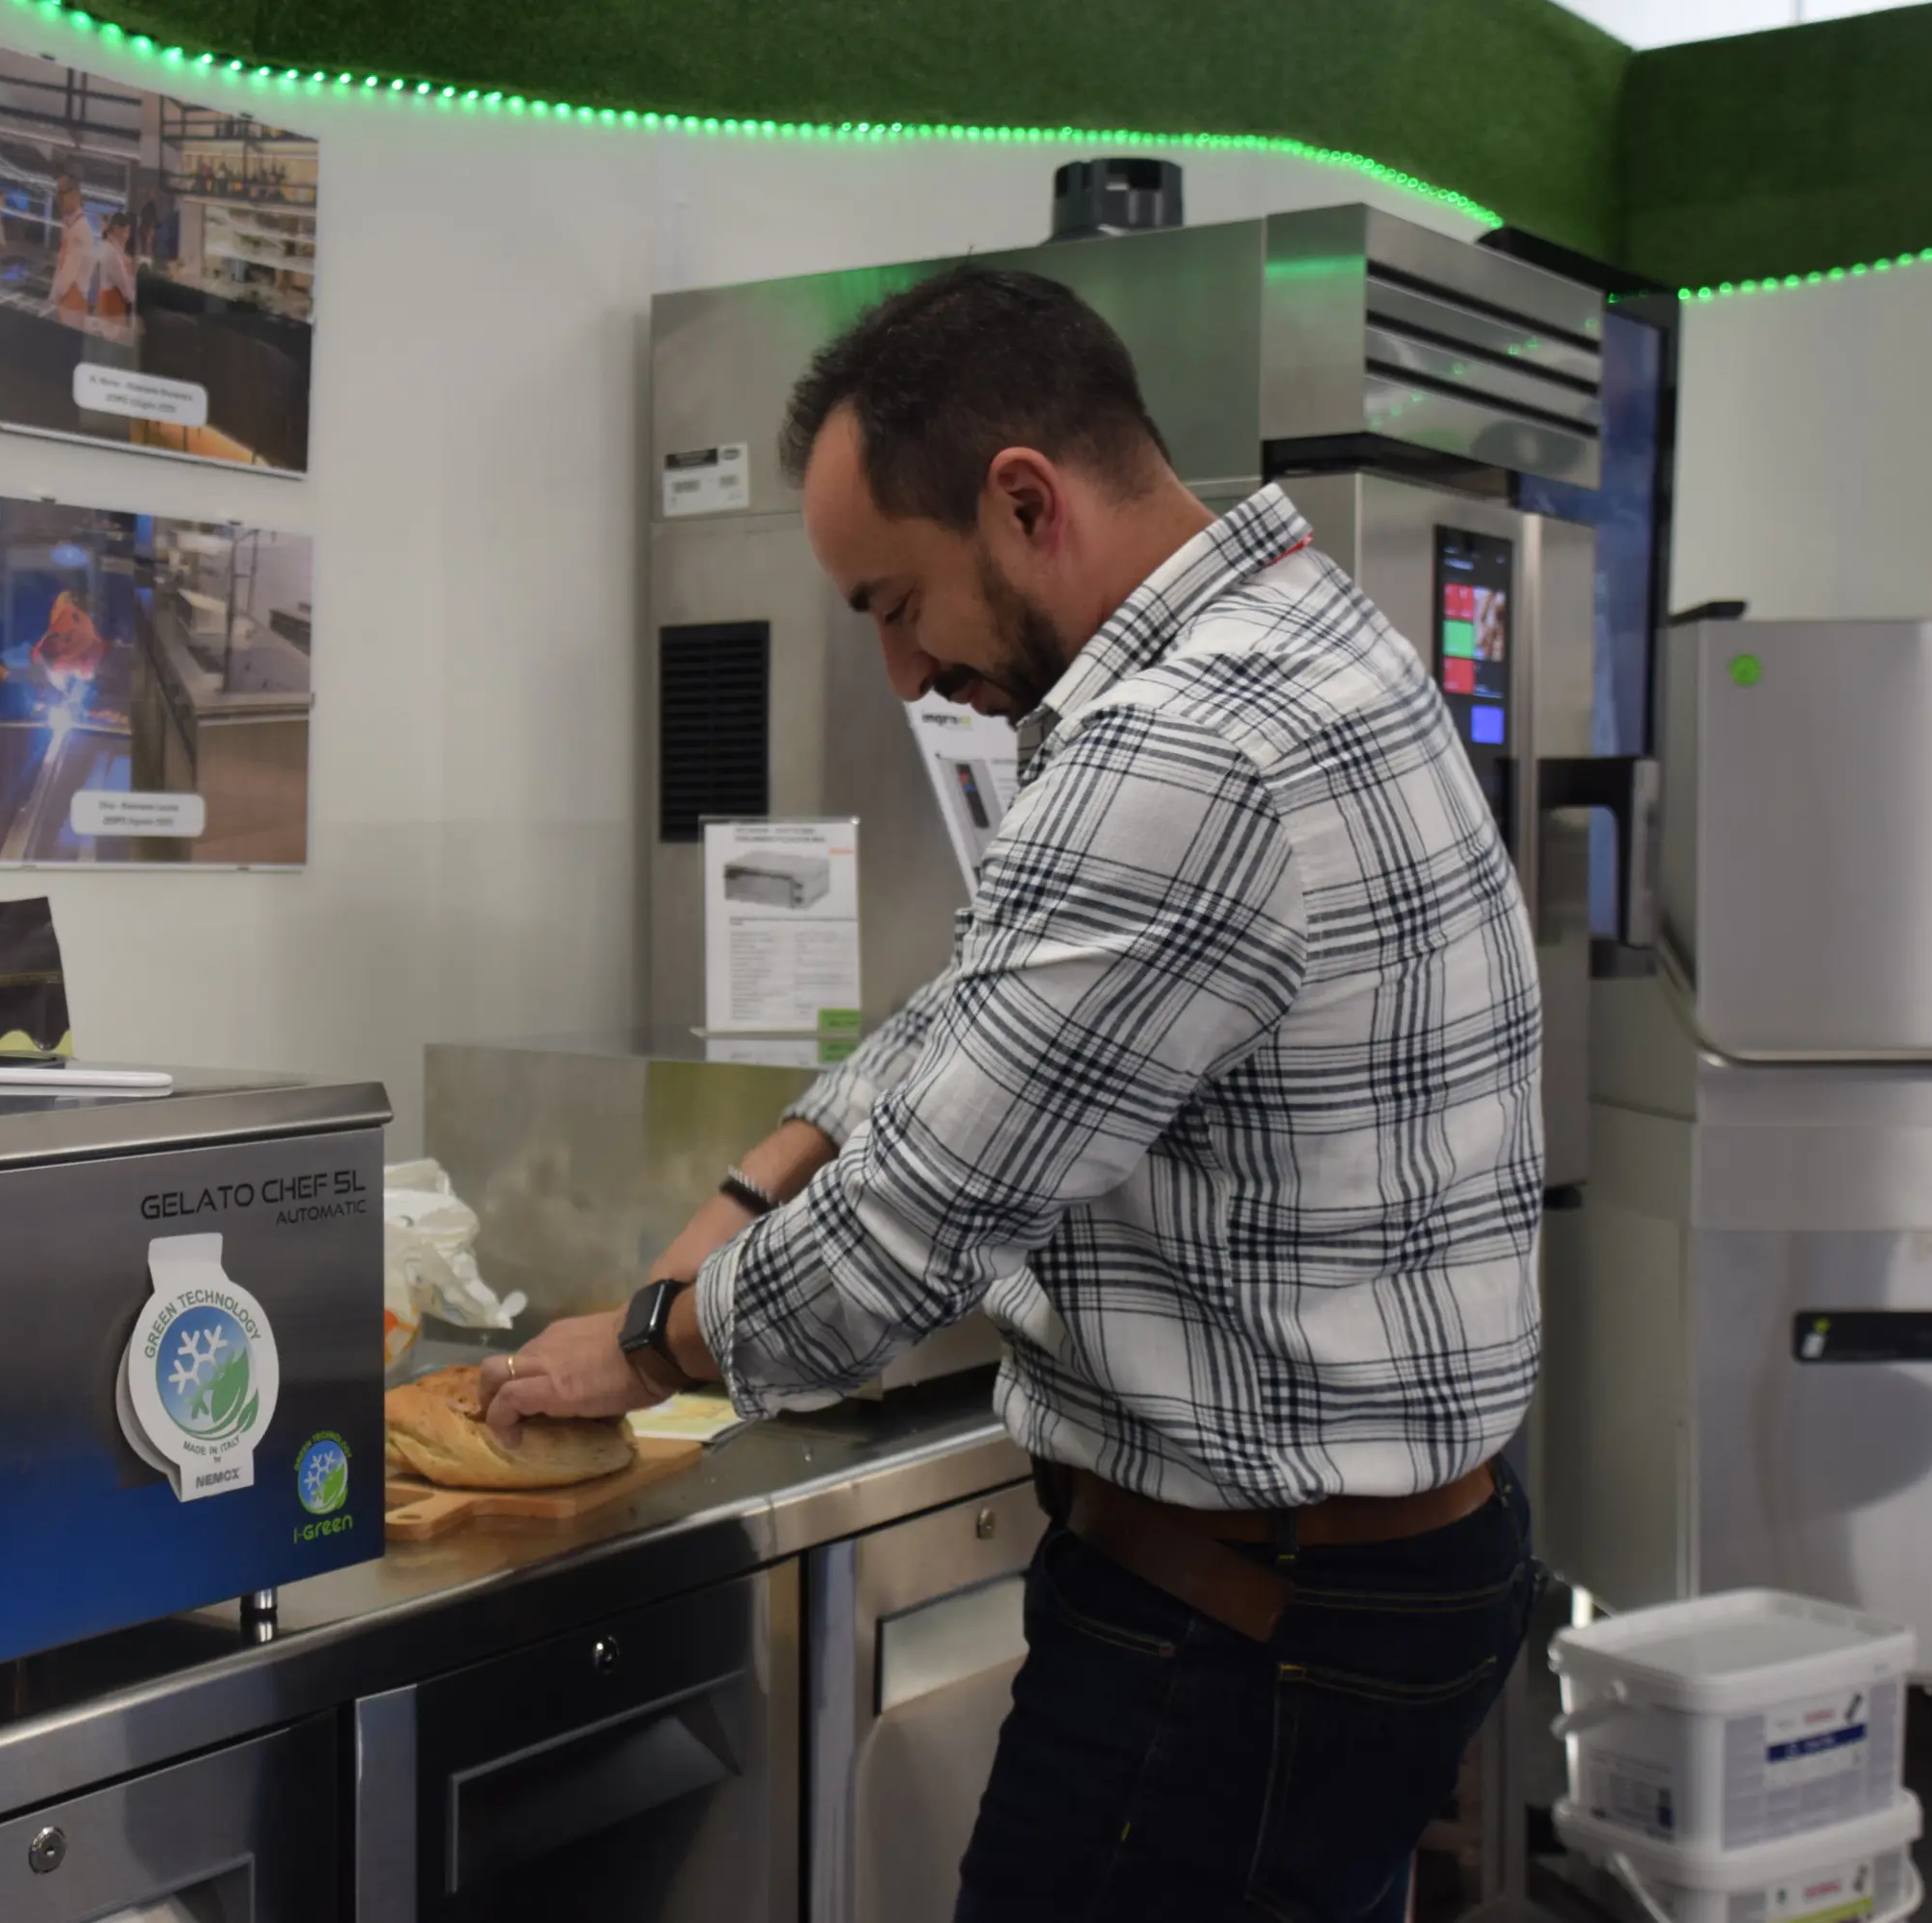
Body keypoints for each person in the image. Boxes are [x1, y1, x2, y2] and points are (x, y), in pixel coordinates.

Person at [479, 266, 1544, 1922]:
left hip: (1241, 1624)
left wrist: (630, 1350)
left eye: (896, 602)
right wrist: (758, 1176)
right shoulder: (1305, 636)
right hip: (1379, 1578)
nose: (905, 673)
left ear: (1025, 500)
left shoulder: (1178, 750)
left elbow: (902, 1245)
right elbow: (990, 1009)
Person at [49, 178, 99, 324]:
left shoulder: (80, 230)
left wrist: (52, 300)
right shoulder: (70, 226)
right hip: (67, 303)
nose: (58, 200)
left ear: (75, 195)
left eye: (61, 193)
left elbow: (67, 277)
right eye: (57, 194)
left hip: (72, 305)